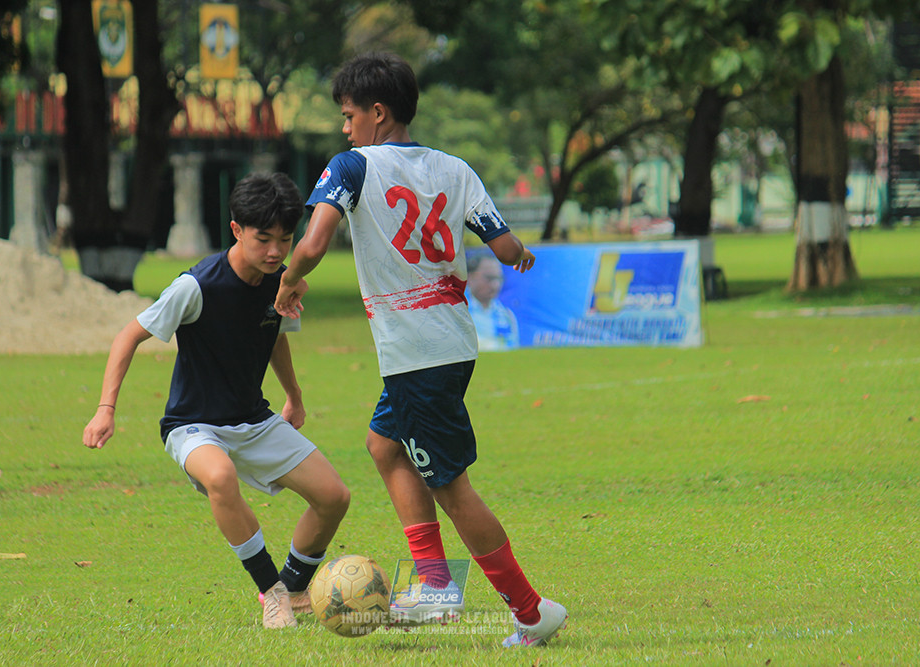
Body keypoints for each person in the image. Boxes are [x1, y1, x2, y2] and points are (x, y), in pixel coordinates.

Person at [274, 53, 567, 648]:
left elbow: (315, 241)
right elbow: (505, 246)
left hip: (416, 353)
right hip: (452, 341)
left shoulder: (352, 167)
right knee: (383, 445)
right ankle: (435, 581)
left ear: (378, 112)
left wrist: (288, 280)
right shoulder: (455, 168)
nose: (345, 127)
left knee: (452, 487)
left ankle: (530, 611)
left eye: (350, 115)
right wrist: (519, 255)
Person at [83, 172, 350, 629]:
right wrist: (105, 409)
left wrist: (294, 396)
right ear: (236, 230)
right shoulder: (197, 286)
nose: (274, 251)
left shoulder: (282, 282)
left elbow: (275, 336)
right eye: (263, 239)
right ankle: (272, 593)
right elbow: (128, 336)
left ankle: (295, 588)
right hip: (193, 425)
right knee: (221, 477)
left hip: (253, 419)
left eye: (285, 240)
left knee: (334, 497)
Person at [466, 253, 519, 351]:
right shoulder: (456, 311)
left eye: (499, 279)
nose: (495, 285)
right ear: (470, 277)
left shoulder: (506, 316)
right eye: (489, 278)